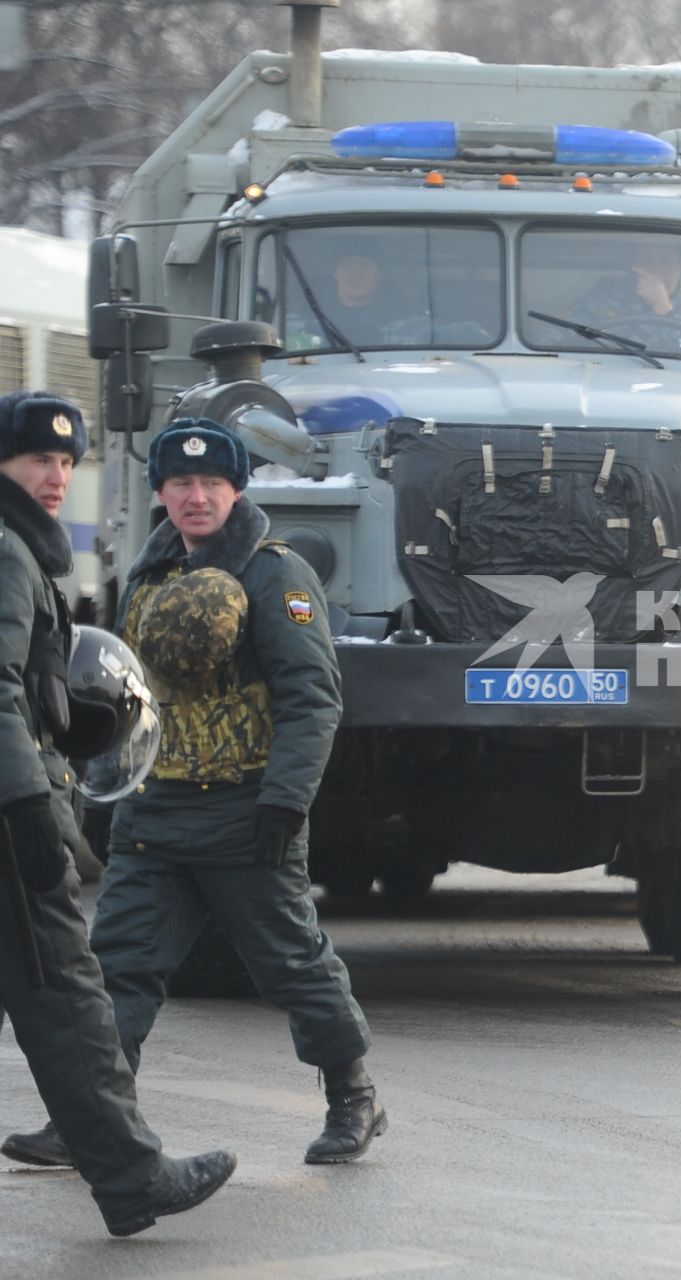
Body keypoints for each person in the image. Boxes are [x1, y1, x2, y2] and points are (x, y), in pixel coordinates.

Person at [5, 418, 384, 1167]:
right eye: (181, 483)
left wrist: (286, 799)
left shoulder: (275, 573)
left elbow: (313, 696)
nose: (197, 497)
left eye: (212, 483)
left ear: (237, 489)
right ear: (161, 492)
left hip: (245, 812)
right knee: (117, 968)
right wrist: (100, 792)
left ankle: (354, 1095)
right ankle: (91, 1123)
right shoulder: (149, 574)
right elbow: (118, 689)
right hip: (154, 813)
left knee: (292, 964)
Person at [0, 390, 235, 1236]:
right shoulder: (6, 550)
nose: (56, 477)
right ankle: (134, 1181)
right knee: (67, 998)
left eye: (67, 461)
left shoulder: (21, 548)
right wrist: (29, 806)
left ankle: (132, 1179)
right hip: (9, 816)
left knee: (62, 998)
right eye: (37, 459)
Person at [574, 240, 681, 349]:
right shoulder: (607, 294)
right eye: (647, 259)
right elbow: (565, 331)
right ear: (636, 264)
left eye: (666, 261)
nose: (656, 269)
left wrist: (663, 308)